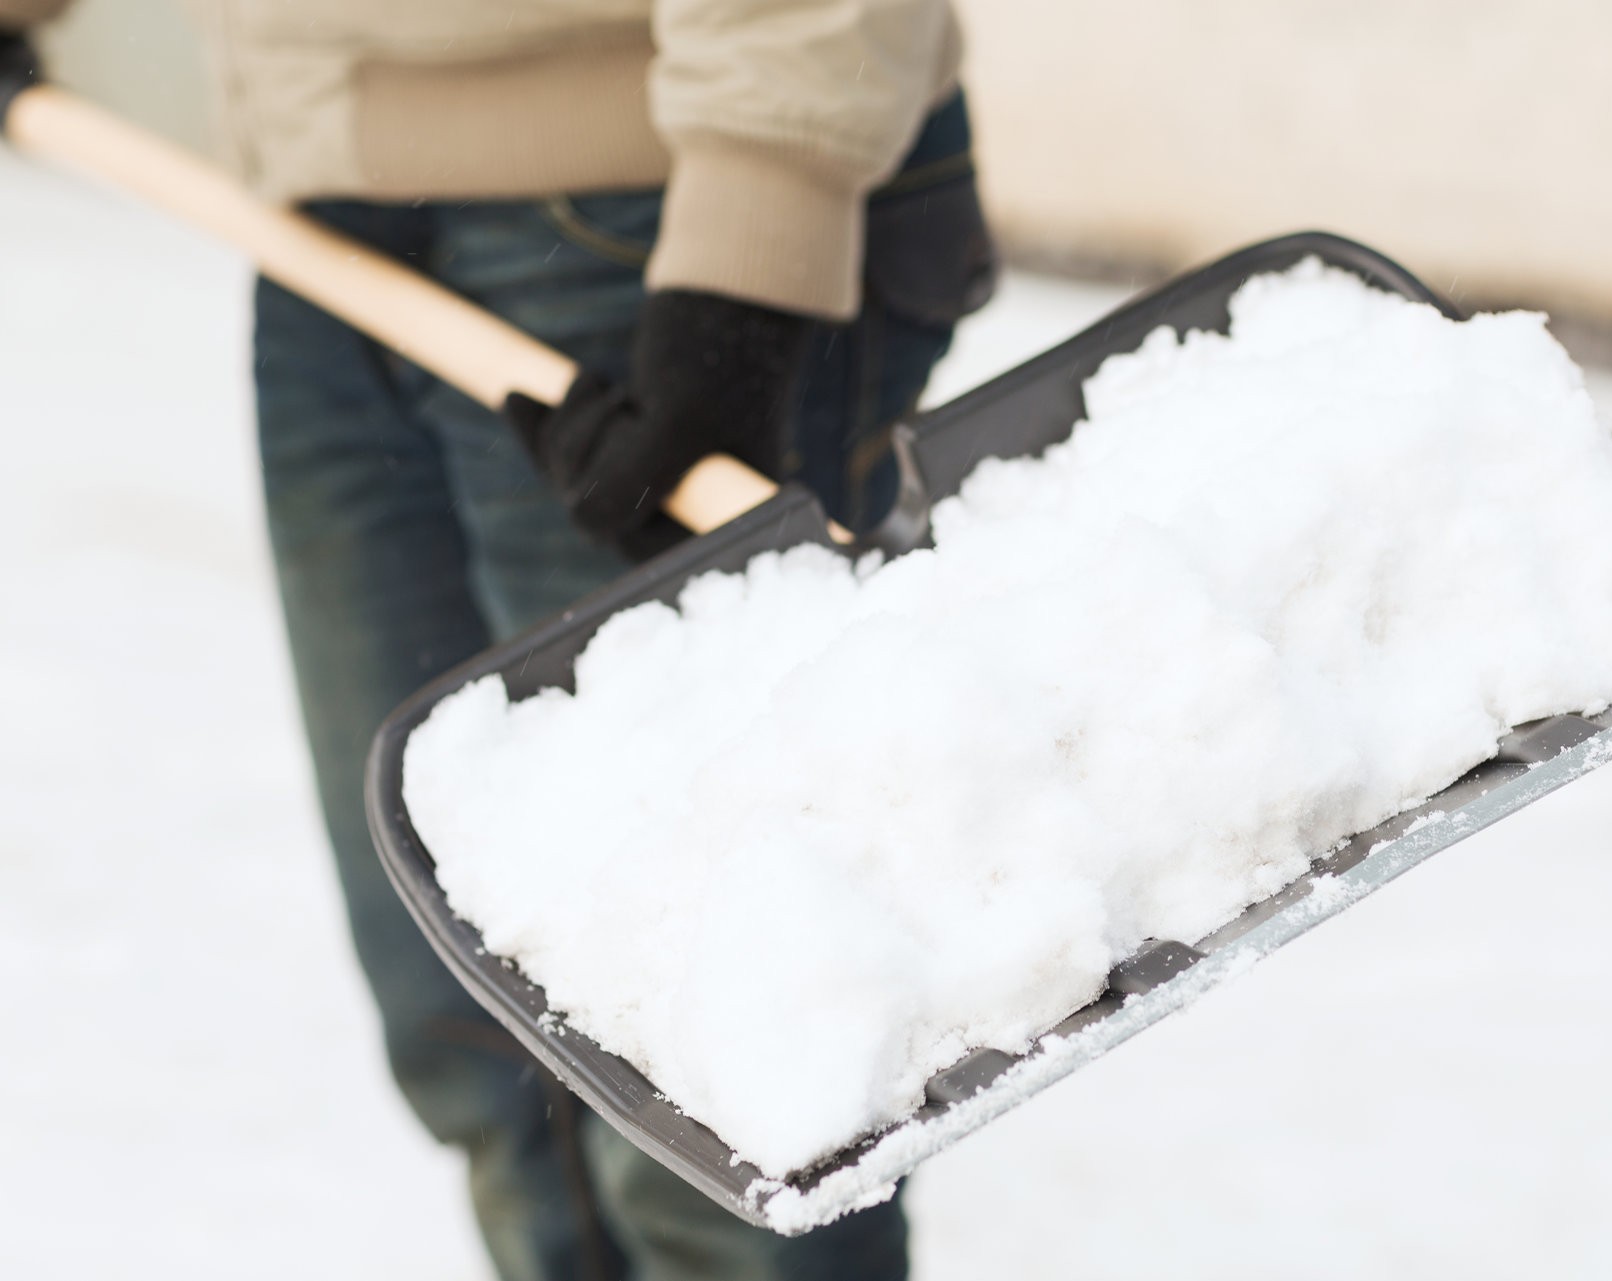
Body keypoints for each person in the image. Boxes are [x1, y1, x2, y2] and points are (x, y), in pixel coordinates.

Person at [0, 3, 994, 1278]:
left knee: (707, 1063)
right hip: (322, 208)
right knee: (473, 1020)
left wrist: (746, 260)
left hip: (651, 213)